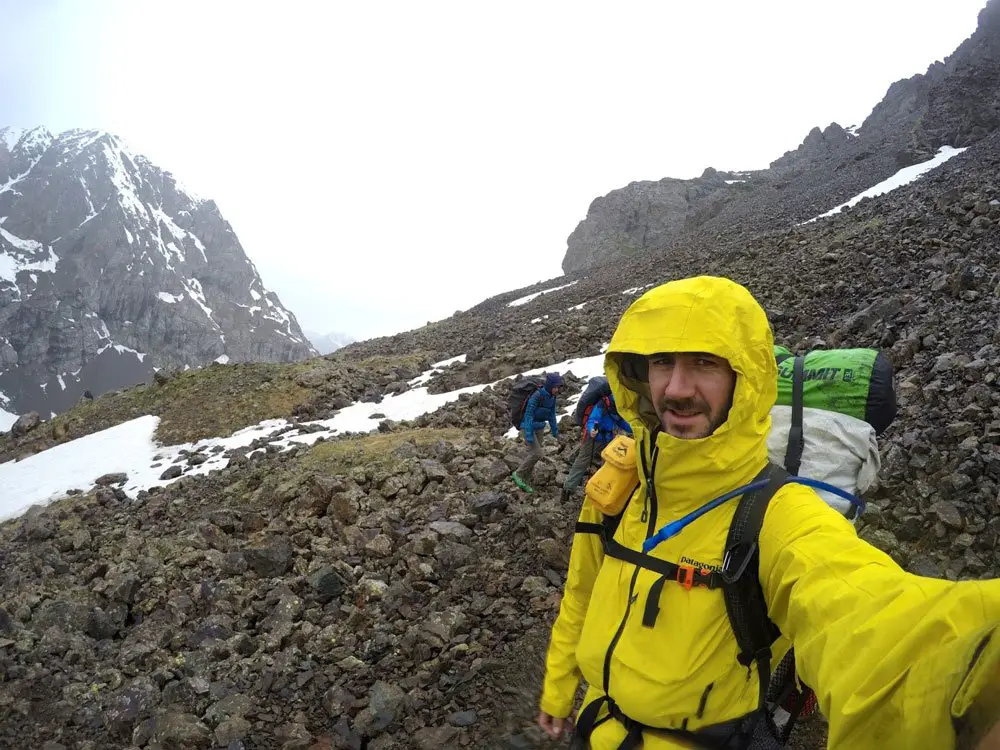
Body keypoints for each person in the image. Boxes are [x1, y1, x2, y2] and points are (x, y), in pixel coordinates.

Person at [536, 276, 1000, 749]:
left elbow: (865, 613)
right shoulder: (622, 484)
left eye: (704, 363)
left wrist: (970, 675)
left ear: (746, 380)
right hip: (596, 730)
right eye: (661, 362)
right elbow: (581, 595)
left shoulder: (779, 512)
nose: (676, 388)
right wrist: (557, 691)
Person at [561, 391, 632, 503]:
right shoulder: (604, 403)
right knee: (582, 461)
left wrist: (636, 430)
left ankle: (602, 490)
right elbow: (593, 419)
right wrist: (591, 429)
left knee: (608, 463)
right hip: (593, 437)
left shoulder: (620, 405)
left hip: (608, 437)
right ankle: (568, 489)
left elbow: (621, 422)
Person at [512, 372, 564, 493]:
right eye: (556, 387)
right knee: (538, 453)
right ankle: (518, 474)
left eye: (559, 387)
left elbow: (551, 414)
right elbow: (528, 414)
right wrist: (528, 433)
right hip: (528, 426)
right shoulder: (537, 395)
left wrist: (555, 430)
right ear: (550, 385)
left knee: (535, 454)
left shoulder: (552, 397)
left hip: (539, 427)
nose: (557, 390)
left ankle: (526, 478)